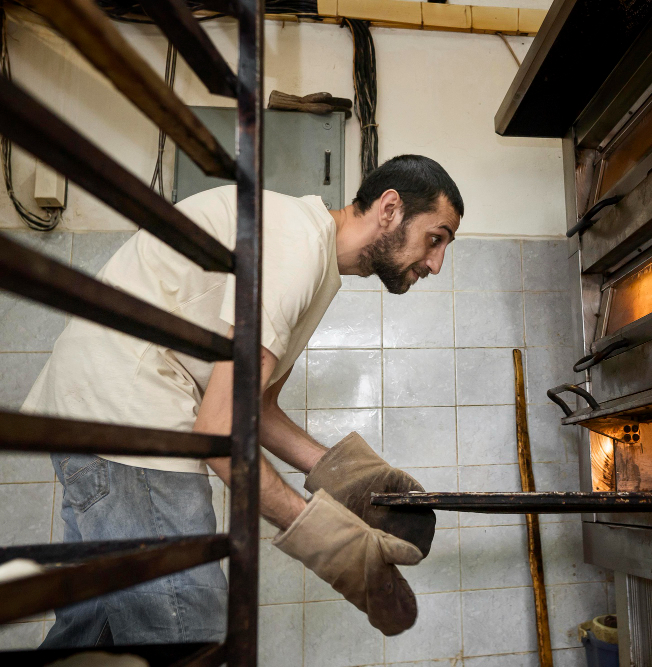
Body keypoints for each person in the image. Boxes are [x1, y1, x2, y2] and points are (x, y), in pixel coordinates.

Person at [21, 154, 463, 647]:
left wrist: (351, 478)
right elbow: (221, 429)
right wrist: (335, 548)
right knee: (190, 635)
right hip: (127, 409)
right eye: (436, 238)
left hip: (95, 413)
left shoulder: (312, 256)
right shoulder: (296, 246)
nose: (436, 263)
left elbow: (257, 408)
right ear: (390, 208)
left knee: (92, 634)